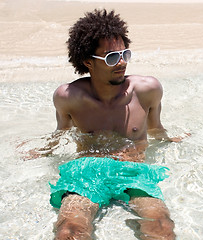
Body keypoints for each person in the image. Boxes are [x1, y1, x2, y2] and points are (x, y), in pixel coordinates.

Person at [48, 9, 182, 240]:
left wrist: (171, 140)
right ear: (88, 62)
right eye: (111, 57)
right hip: (87, 172)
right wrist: (41, 150)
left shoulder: (147, 90)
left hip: (134, 171)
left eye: (125, 54)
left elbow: (155, 128)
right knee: (69, 229)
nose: (121, 62)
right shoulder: (68, 97)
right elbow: (61, 133)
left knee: (161, 226)